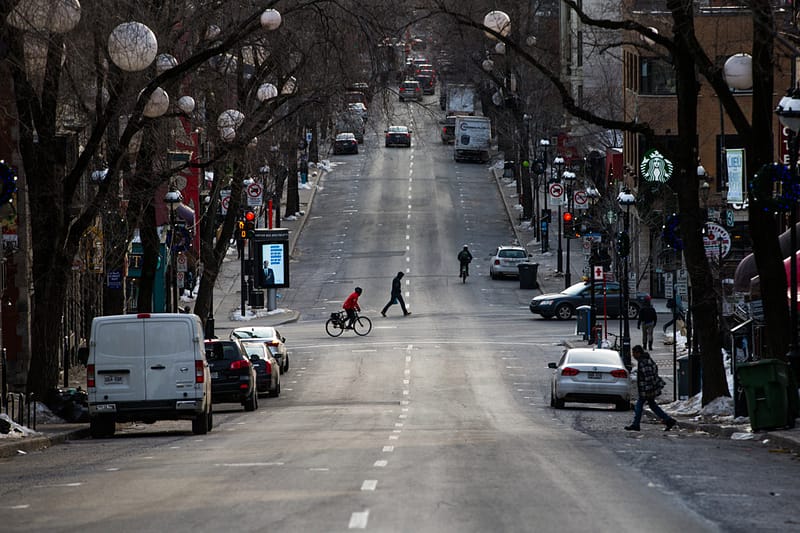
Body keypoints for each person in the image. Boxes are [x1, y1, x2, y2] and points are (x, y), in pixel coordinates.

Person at [625, 345, 676, 432]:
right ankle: (668, 420)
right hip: (648, 389)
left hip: (646, 390)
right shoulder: (645, 360)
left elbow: (648, 377)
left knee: (638, 406)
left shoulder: (643, 362)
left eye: (634, 353)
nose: (633, 355)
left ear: (638, 353)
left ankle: (636, 424)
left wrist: (648, 389)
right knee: (653, 406)